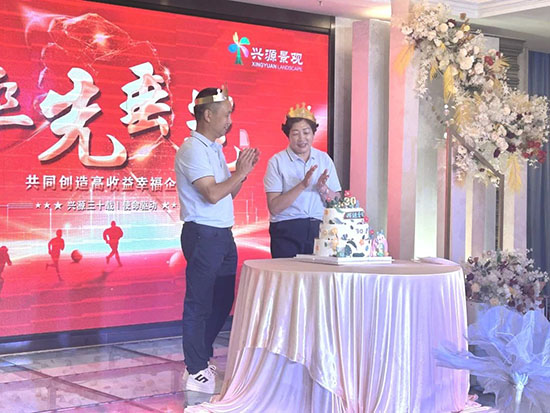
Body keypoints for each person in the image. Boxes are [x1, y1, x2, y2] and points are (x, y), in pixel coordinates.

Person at [175, 85, 259, 394]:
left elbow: (228, 193)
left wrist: (243, 172)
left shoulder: (213, 149)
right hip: (203, 234)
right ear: (208, 115)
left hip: (222, 234)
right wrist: (239, 172)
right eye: (225, 115)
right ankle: (195, 368)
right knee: (199, 302)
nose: (229, 121)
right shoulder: (193, 149)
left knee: (222, 300)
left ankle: (200, 357)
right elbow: (211, 194)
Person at [264, 102, 341, 258]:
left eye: (306, 132)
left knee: (319, 273)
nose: (302, 138)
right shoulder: (277, 162)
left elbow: (337, 202)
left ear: (313, 134)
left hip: (320, 230)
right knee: (287, 273)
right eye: (295, 133)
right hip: (286, 229)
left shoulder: (324, 159)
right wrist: (302, 185)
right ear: (288, 135)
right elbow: (274, 207)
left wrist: (323, 189)